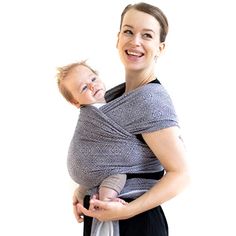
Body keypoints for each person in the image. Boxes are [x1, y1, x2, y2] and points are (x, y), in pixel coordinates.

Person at [72, 2, 190, 236]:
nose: (135, 41)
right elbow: (121, 161)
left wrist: (126, 212)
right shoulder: (115, 96)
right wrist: (85, 187)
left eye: (147, 35)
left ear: (160, 48)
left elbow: (181, 174)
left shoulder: (150, 101)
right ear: (118, 39)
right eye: (128, 31)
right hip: (105, 216)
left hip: (135, 223)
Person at [56, 61, 127, 205]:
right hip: (91, 165)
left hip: (83, 169)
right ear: (75, 102)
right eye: (83, 88)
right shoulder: (94, 114)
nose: (92, 86)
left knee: (90, 180)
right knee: (117, 172)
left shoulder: (109, 103)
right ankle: (106, 199)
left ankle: (81, 192)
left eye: (93, 79)